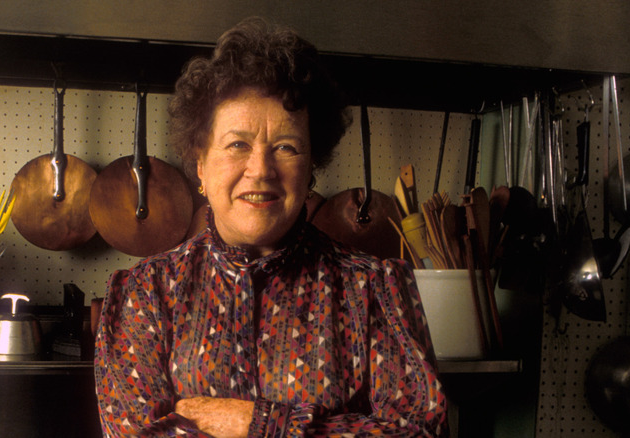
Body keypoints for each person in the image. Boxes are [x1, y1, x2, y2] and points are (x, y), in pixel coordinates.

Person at [95, 17, 447, 437]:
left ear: (311, 167)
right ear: (201, 166)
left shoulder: (374, 290)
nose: (260, 170)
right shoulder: (146, 295)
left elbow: (419, 432)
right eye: (237, 144)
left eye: (285, 147)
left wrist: (258, 424)